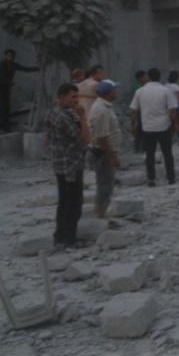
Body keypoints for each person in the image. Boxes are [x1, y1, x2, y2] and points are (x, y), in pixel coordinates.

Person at [47, 82, 90, 249]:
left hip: (62, 163)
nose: (76, 100)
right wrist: (83, 117)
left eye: (77, 96)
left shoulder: (55, 113)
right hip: (70, 164)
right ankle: (69, 239)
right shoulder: (63, 116)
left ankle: (60, 236)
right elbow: (84, 138)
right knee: (73, 202)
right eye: (73, 97)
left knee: (65, 201)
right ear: (61, 97)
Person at [130, 68, 179, 187]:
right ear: (159, 76)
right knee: (167, 153)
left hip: (147, 128)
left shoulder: (140, 91)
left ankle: (151, 179)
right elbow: (172, 110)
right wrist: (176, 123)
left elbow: (133, 110)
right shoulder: (166, 91)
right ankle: (171, 178)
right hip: (164, 126)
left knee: (149, 154)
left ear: (148, 76)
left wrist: (134, 125)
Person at [88, 80, 121, 219]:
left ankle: (100, 214)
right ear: (108, 92)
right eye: (114, 89)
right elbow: (102, 139)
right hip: (103, 153)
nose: (116, 92)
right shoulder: (101, 110)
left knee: (105, 185)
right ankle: (100, 217)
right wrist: (113, 157)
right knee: (104, 187)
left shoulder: (105, 106)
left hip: (104, 152)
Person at [1, 49, 39, 133]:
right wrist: (11, 83)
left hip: (6, 88)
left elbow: (25, 69)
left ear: (13, 57)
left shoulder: (14, 65)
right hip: (2, 86)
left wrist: (37, 68)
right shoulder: (2, 64)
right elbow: (2, 77)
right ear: (5, 56)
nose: (10, 57)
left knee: (6, 106)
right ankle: (3, 126)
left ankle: (5, 125)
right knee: (3, 106)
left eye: (11, 56)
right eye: (8, 55)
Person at [130, 71, 148, 153]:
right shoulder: (139, 87)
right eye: (145, 76)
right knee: (141, 129)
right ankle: (141, 148)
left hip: (140, 110)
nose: (146, 78)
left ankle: (138, 147)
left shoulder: (139, 87)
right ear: (140, 78)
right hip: (140, 110)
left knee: (140, 129)